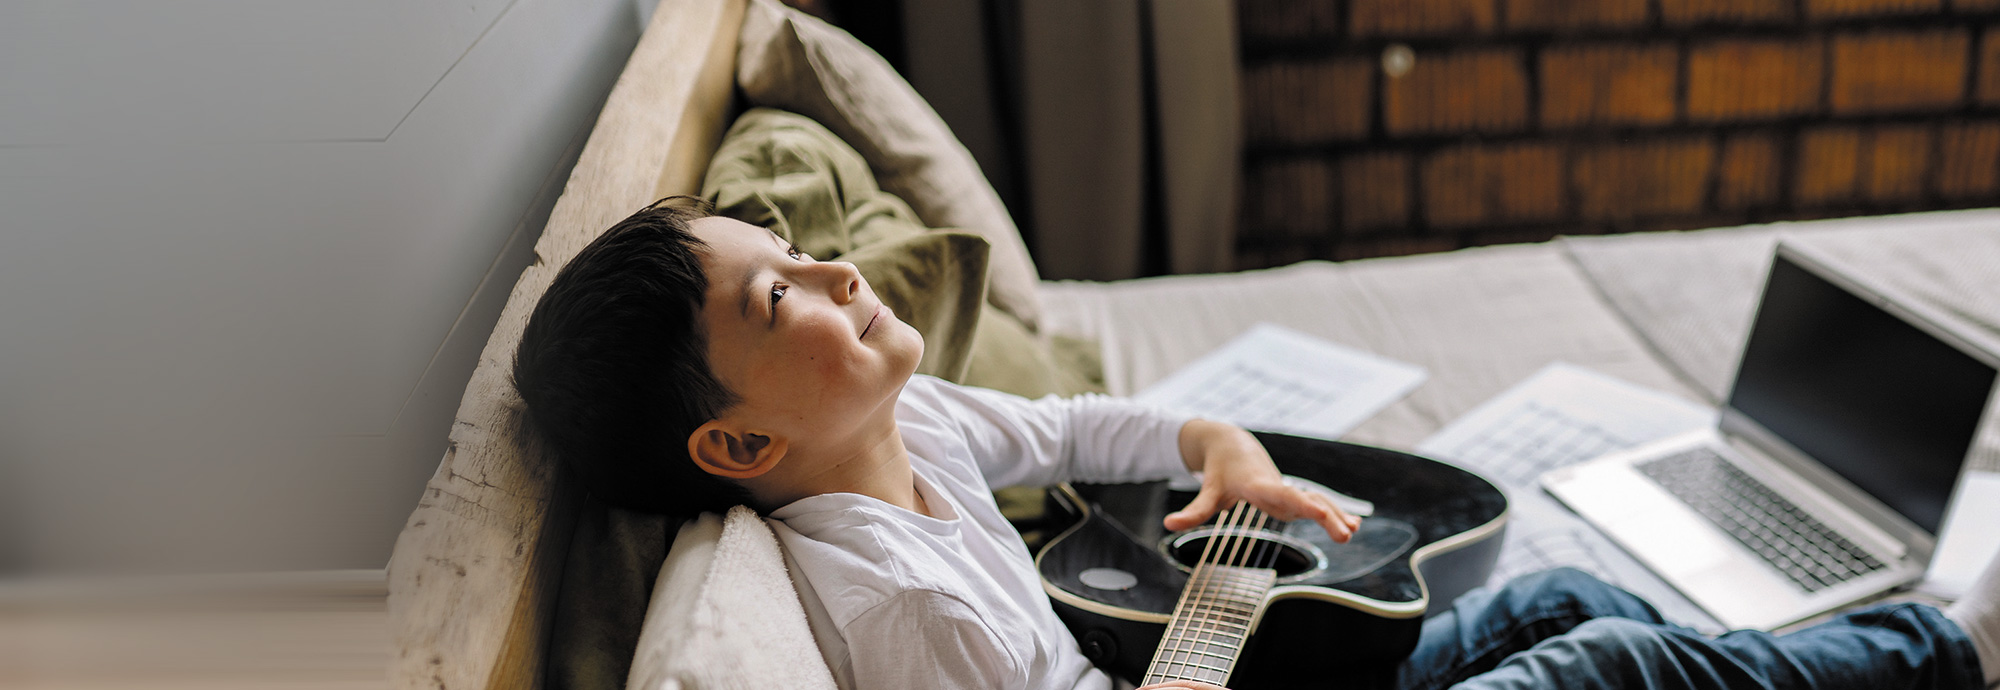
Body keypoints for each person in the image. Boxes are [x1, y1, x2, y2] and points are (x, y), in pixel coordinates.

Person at [512, 197, 2000, 690]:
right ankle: (1954, 648)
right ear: (735, 443)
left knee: (1568, 600)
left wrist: (1216, 444)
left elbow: (1089, 423)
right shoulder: (895, 603)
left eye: (799, 248)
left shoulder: (921, 419)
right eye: (781, 295)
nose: (840, 273)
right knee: (1603, 663)